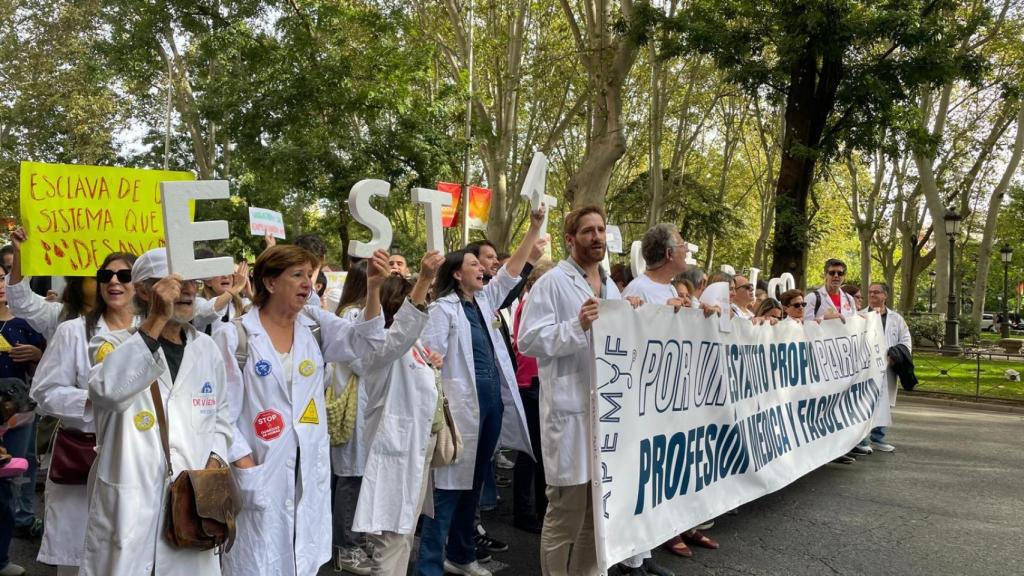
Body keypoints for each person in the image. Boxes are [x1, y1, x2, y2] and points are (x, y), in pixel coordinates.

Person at [215, 244, 389, 576]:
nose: (307, 283)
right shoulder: (234, 336)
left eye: (308, 274)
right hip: (260, 465)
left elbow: (364, 344)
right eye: (296, 275)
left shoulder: (314, 325)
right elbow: (219, 411)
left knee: (301, 558)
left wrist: (374, 289)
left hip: (306, 466)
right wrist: (244, 461)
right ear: (269, 282)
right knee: (256, 560)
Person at [81, 248, 232, 575]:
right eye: (176, 283)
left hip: (192, 503)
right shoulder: (113, 344)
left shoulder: (206, 349)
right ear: (146, 290)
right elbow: (108, 390)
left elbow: (222, 415)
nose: (189, 289)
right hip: (132, 502)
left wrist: (215, 460)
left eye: (192, 281)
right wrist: (157, 319)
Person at [415, 207, 545, 576]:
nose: (483, 269)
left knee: (472, 486)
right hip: (461, 413)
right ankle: (428, 567)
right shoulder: (443, 309)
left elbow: (512, 271)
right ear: (457, 274)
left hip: (489, 410)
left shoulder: (486, 302)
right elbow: (428, 358)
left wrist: (534, 228)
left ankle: (461, 554)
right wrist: (433, 358)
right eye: (474, 264)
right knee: (446, 492)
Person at [519, 206, 643, 576]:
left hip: (607, 415)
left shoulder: (610, 287)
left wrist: (640, 313)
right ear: (570, 239)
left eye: (601, 230)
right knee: (565, 516)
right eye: (588, 231)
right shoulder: (552, 282)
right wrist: (577, 326)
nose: (597, 237)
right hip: (570, 415)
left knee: (597, 517)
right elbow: (527, 340)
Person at [30, 251, 139, 576]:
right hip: (83, 459)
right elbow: (43, 392)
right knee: (80, 563)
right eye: (106, 276)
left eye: (124, 275)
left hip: (138, 462)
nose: (114, 282)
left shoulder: (152, 334)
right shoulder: (73, 332)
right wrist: (95, 401)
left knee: (132, 558)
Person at [351, 251, 444, 575]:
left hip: (416, 453)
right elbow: (400, 334)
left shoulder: (412, 344)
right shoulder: (378, 348)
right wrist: (424, 278)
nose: (424, 309)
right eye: (416, 303)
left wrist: (433, 367)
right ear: (398, 306)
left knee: (403, 536)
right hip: (396, 455)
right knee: (390, 541)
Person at [329, 261, 375, 575]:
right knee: (351, 479)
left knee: (359, 478)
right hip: (354, 407)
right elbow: (362, 362)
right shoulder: (352, 315)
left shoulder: (359, 313)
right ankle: (345, 547)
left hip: (365, 407)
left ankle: (355, 538)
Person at [0, 264, 45, 576]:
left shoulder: (26, 322)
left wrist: (36, 354)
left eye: (1, 279)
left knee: (15, 474)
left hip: (18, 414)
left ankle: (14, 533)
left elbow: (50, 360)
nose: (0, 286)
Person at [511, 261, 555, 536]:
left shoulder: (527, 303)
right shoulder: (531, 305)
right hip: (531, 380)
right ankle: (526, 511)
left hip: (533, 379)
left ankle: (537, 508)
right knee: (532, 453)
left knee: (538, 452)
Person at [857, 283, 911, 454]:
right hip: (866, 368)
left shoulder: (896, 319)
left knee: (884, 403)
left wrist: (895, 357)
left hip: (888, 367)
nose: (872, 295)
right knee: (865, 403)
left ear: (885, 295)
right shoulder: (859, 316)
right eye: (870, 292)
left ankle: (878, 438)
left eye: (877, 292)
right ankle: (862, 439)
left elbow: (906, 340)